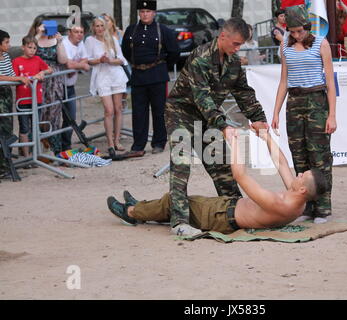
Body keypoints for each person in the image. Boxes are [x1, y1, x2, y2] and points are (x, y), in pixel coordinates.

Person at [106, 128, 328, 234]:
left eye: (302, 176)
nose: (298, 174)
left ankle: (132, 213)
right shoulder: (297, 200)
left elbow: (240, 176)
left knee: (173, 202)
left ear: (301, 190)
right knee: (178, 202)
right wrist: (266, 136)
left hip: (221, 217)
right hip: (225, 210)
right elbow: (281, 162)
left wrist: (235, 142)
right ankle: (142, 206)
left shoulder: (282, 204)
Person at [165, 17, 269, 236]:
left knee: (221, 164)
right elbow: (202, 97)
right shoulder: (200, 58)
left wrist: (257, 118)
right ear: (223, 36)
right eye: (236, 44)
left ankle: (238, 213)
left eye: (241, 45)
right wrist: (222, 125)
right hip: (181, 113)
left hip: (207, 118)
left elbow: (243, 92)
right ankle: (179, 222)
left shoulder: (233, 62)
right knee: (181, 163)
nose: (238, 48)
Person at [271, 6, 337, 224]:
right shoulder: (285, 45)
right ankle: (307, 205)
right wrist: (276, 112)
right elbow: (283, 81)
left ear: (307, 27)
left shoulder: (321, 43)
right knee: (298, 154)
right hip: (294, 102)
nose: (297, 35)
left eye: (300, 31)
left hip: (317, 100)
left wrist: (332, 115)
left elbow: (330, 82)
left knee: (319, 156)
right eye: (293, 31)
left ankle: (323, 207)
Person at [121, 0, 180, 157]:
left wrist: (162, 67)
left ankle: (159, 142)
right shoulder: (132, 30)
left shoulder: (163, 30)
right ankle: (138, 145)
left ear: (154, 13)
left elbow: (174, 52)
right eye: (142, 11)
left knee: (159, 111)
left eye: (148, 12)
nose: (145, 14)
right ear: (139, 13)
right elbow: (126, 51)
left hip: (157, 75)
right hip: (138, 76)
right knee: (138, 112)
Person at [85, 16, 129, 157]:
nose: (99, 28)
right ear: (93, 27)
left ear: (105, 27)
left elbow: (122, 60)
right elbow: (88, 60)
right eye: (97, 26)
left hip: (116, 76)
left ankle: (117, 140)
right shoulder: (90, 41)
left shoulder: (113, 39)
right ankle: (109, 142)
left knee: (118, 109)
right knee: (108, 110)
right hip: (101, 77)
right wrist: (99, 60)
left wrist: (110, 60)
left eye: (102, 26)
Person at [28, 17, 68, 156]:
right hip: (38, 79)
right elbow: (28, 51)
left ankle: (54, 147)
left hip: (54, 80)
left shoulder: (55, 39)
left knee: (54, 113)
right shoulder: (33, 40)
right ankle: (37, 147)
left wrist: (59, 42)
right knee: (38, 112)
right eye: (42, 26)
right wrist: (38, 34)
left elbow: (63, 60)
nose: (45, 29)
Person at [12, 36, 53, 158]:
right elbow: (13, 77)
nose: (32, 50)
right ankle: (26, 154)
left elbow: (50, 69)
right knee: (24, 127)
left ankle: (35, 153)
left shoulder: (38, 59)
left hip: (36, 99)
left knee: (35, 125)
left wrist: (42, 72)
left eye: (35, 48)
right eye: (29, 47)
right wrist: (28, 78)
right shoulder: (16, 61)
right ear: (23, 47)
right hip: (22, 100)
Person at [0, 29, 31, 177]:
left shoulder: (6, 56)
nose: (9, 45)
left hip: (6, 95)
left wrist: (23, 78)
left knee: (7, 130)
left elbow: (11, 75)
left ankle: (5, 164)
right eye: (6, 42)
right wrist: (18, 79)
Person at [61, 25, 90, 151]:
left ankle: (66, 145)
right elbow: (68, 64)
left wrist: (75, 66)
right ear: (69, 33)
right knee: (55, 119)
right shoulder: (64, 43)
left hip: (70, 86)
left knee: (71, 117)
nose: (79, 34)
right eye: (76, 32)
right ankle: (55, 146)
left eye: (81, 32)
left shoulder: (81, 44)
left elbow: (86, 61)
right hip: (59, 86)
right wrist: (79, 66)